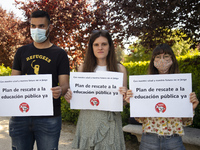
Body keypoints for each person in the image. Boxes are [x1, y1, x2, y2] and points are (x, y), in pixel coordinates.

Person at [9, 10, 70, 150]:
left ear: (49, 27)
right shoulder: (21, 52)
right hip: (21, 115)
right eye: (33, 26)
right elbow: (14, 81)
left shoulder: (60, 54)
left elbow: (65, 85)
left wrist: (60, 90)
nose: (37, 30)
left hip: (49, 117)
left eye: (41, 26)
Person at [125, 43, 199, 150]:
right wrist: (134, 103)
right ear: (153, 61)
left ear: (172, 59)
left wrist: (191, 108)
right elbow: (141, 119)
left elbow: (185, 121)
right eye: (158, 57)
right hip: (149, 139)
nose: (162, 60)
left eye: (166, 57)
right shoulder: (144, 85)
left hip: (174, 139)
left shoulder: (182, 85)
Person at [64, 30, 127, 150]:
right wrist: (70, 97)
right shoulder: (83, 68)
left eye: (104, 44)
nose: (100, 48)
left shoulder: (120, 69)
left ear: (110, 47)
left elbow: (123, 102)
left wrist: (125, 97)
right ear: (91, 47)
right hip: (88, 121)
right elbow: (78, 98)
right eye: (96, 44)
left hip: (110, 121)